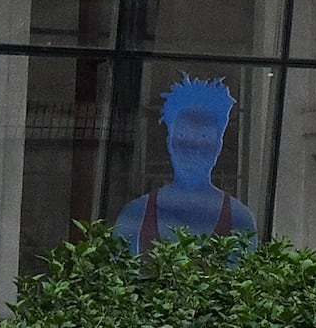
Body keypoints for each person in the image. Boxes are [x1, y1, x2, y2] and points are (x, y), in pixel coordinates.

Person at [109, 75, 259, 249]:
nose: (192, 147)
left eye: (204, 137)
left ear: (218, 145)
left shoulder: (239, 220)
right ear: (169, 142)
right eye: (182, 135)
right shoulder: (135, 215)